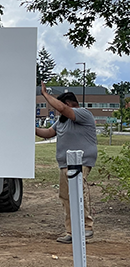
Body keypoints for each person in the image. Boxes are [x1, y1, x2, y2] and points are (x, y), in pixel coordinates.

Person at [35, 82, 97, 244]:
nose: (56, 110)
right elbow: (48, 133)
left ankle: (86, 227)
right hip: (64, 163)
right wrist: (31, 128)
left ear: (69, 104)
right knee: (66, 197)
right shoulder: (62, 121)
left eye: (58, 106)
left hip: (80, 161)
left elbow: (63, 109)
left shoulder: (84, 113)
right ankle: (71, 230)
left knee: (79, 191)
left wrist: (45, 95)